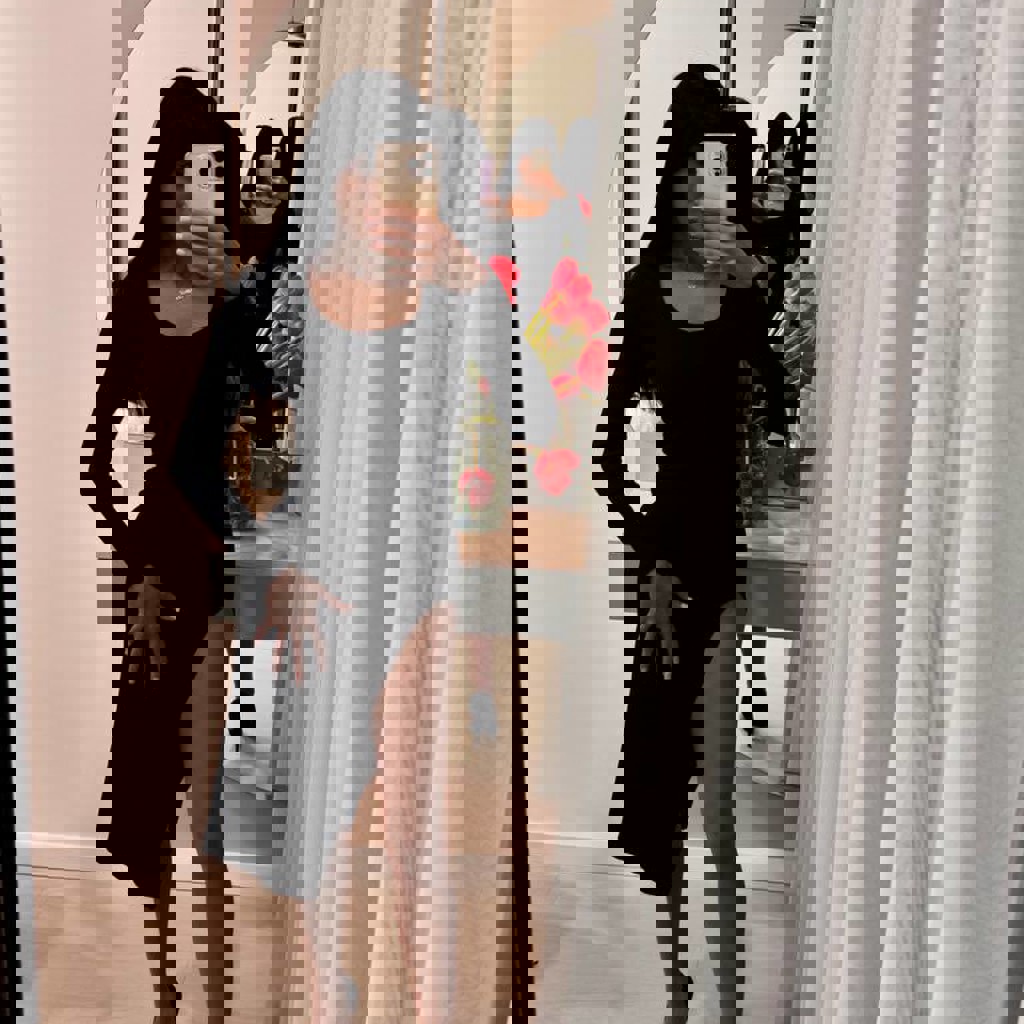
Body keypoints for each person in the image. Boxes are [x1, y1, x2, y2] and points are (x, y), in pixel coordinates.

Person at [595, 66, 792, 1022]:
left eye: (727, 173)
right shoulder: (646, 292)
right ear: (677, 180)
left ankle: (731, 988)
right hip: (665, 560)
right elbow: (610, 447)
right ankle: (680, 983)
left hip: (729, 553)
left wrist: (766, 281)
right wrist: (648, 548)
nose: (715, 191)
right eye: (702, 172)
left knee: (719, 790)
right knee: (668, 779)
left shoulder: (749, 297)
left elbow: (781, 415)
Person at [84, 74, 275, 1022]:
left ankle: (214, 989)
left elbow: (264, 418)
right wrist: (139, 565)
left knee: (203, 793)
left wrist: (264, 461)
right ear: (166, 187)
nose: (205, 197)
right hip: (161, 575)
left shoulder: (229, 307)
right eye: (193, 178)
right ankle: (169, 985)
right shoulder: (138, 303)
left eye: (216, 180)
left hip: (213, 566)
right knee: (160, 783)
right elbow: (103, 459)